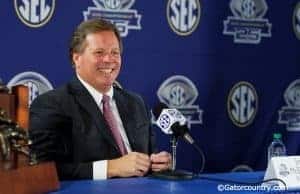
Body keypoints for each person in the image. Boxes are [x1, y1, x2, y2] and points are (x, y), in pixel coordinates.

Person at [29, 18, 171, 180]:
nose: (109, 59)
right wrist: (109, 168)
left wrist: (158, 165)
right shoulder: (51, 105)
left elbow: (147, 159)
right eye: (99, 52)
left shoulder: (136, 103)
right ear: (77, 58)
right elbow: (42, 170)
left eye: (114, 52)